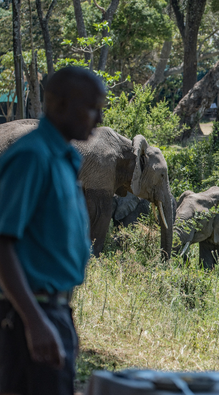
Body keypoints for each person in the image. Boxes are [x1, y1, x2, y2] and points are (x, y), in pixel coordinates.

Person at [0, 67, 106, 395]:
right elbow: (2, 242)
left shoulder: (63, 157)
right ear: (58, 105)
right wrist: (34, 321)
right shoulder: (32, 156)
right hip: (27, 314)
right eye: (91, 107)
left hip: (54, 310)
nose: (99, 117)